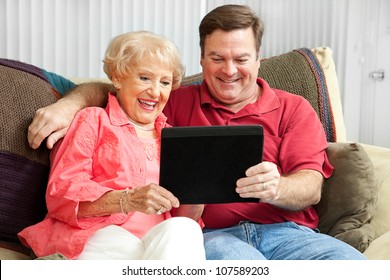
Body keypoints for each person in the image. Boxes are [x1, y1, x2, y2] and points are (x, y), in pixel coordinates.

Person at [26, 5, 366, 260]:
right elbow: (119, 92)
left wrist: (276, 186)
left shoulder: (294, 108)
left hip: (289, 233)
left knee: (351, 266)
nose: (229, 70)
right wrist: (69, 105)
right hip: (216, 238)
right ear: (201, 60)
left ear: (258, 59)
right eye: (217, 58)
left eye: (241, 58)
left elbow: (310, 186)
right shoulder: (169, 106)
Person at [18, 31, 205, 260]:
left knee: (186, 229)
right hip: (99, 237)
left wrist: (200, 191)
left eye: (164, 82)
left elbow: (184, 217)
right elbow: (62, 193)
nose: (155, 92)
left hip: (156, 247)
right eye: (144, 78)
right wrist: (128, 200)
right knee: (124, 245)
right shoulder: (93, 120)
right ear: (117, 78)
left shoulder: (174, 139)